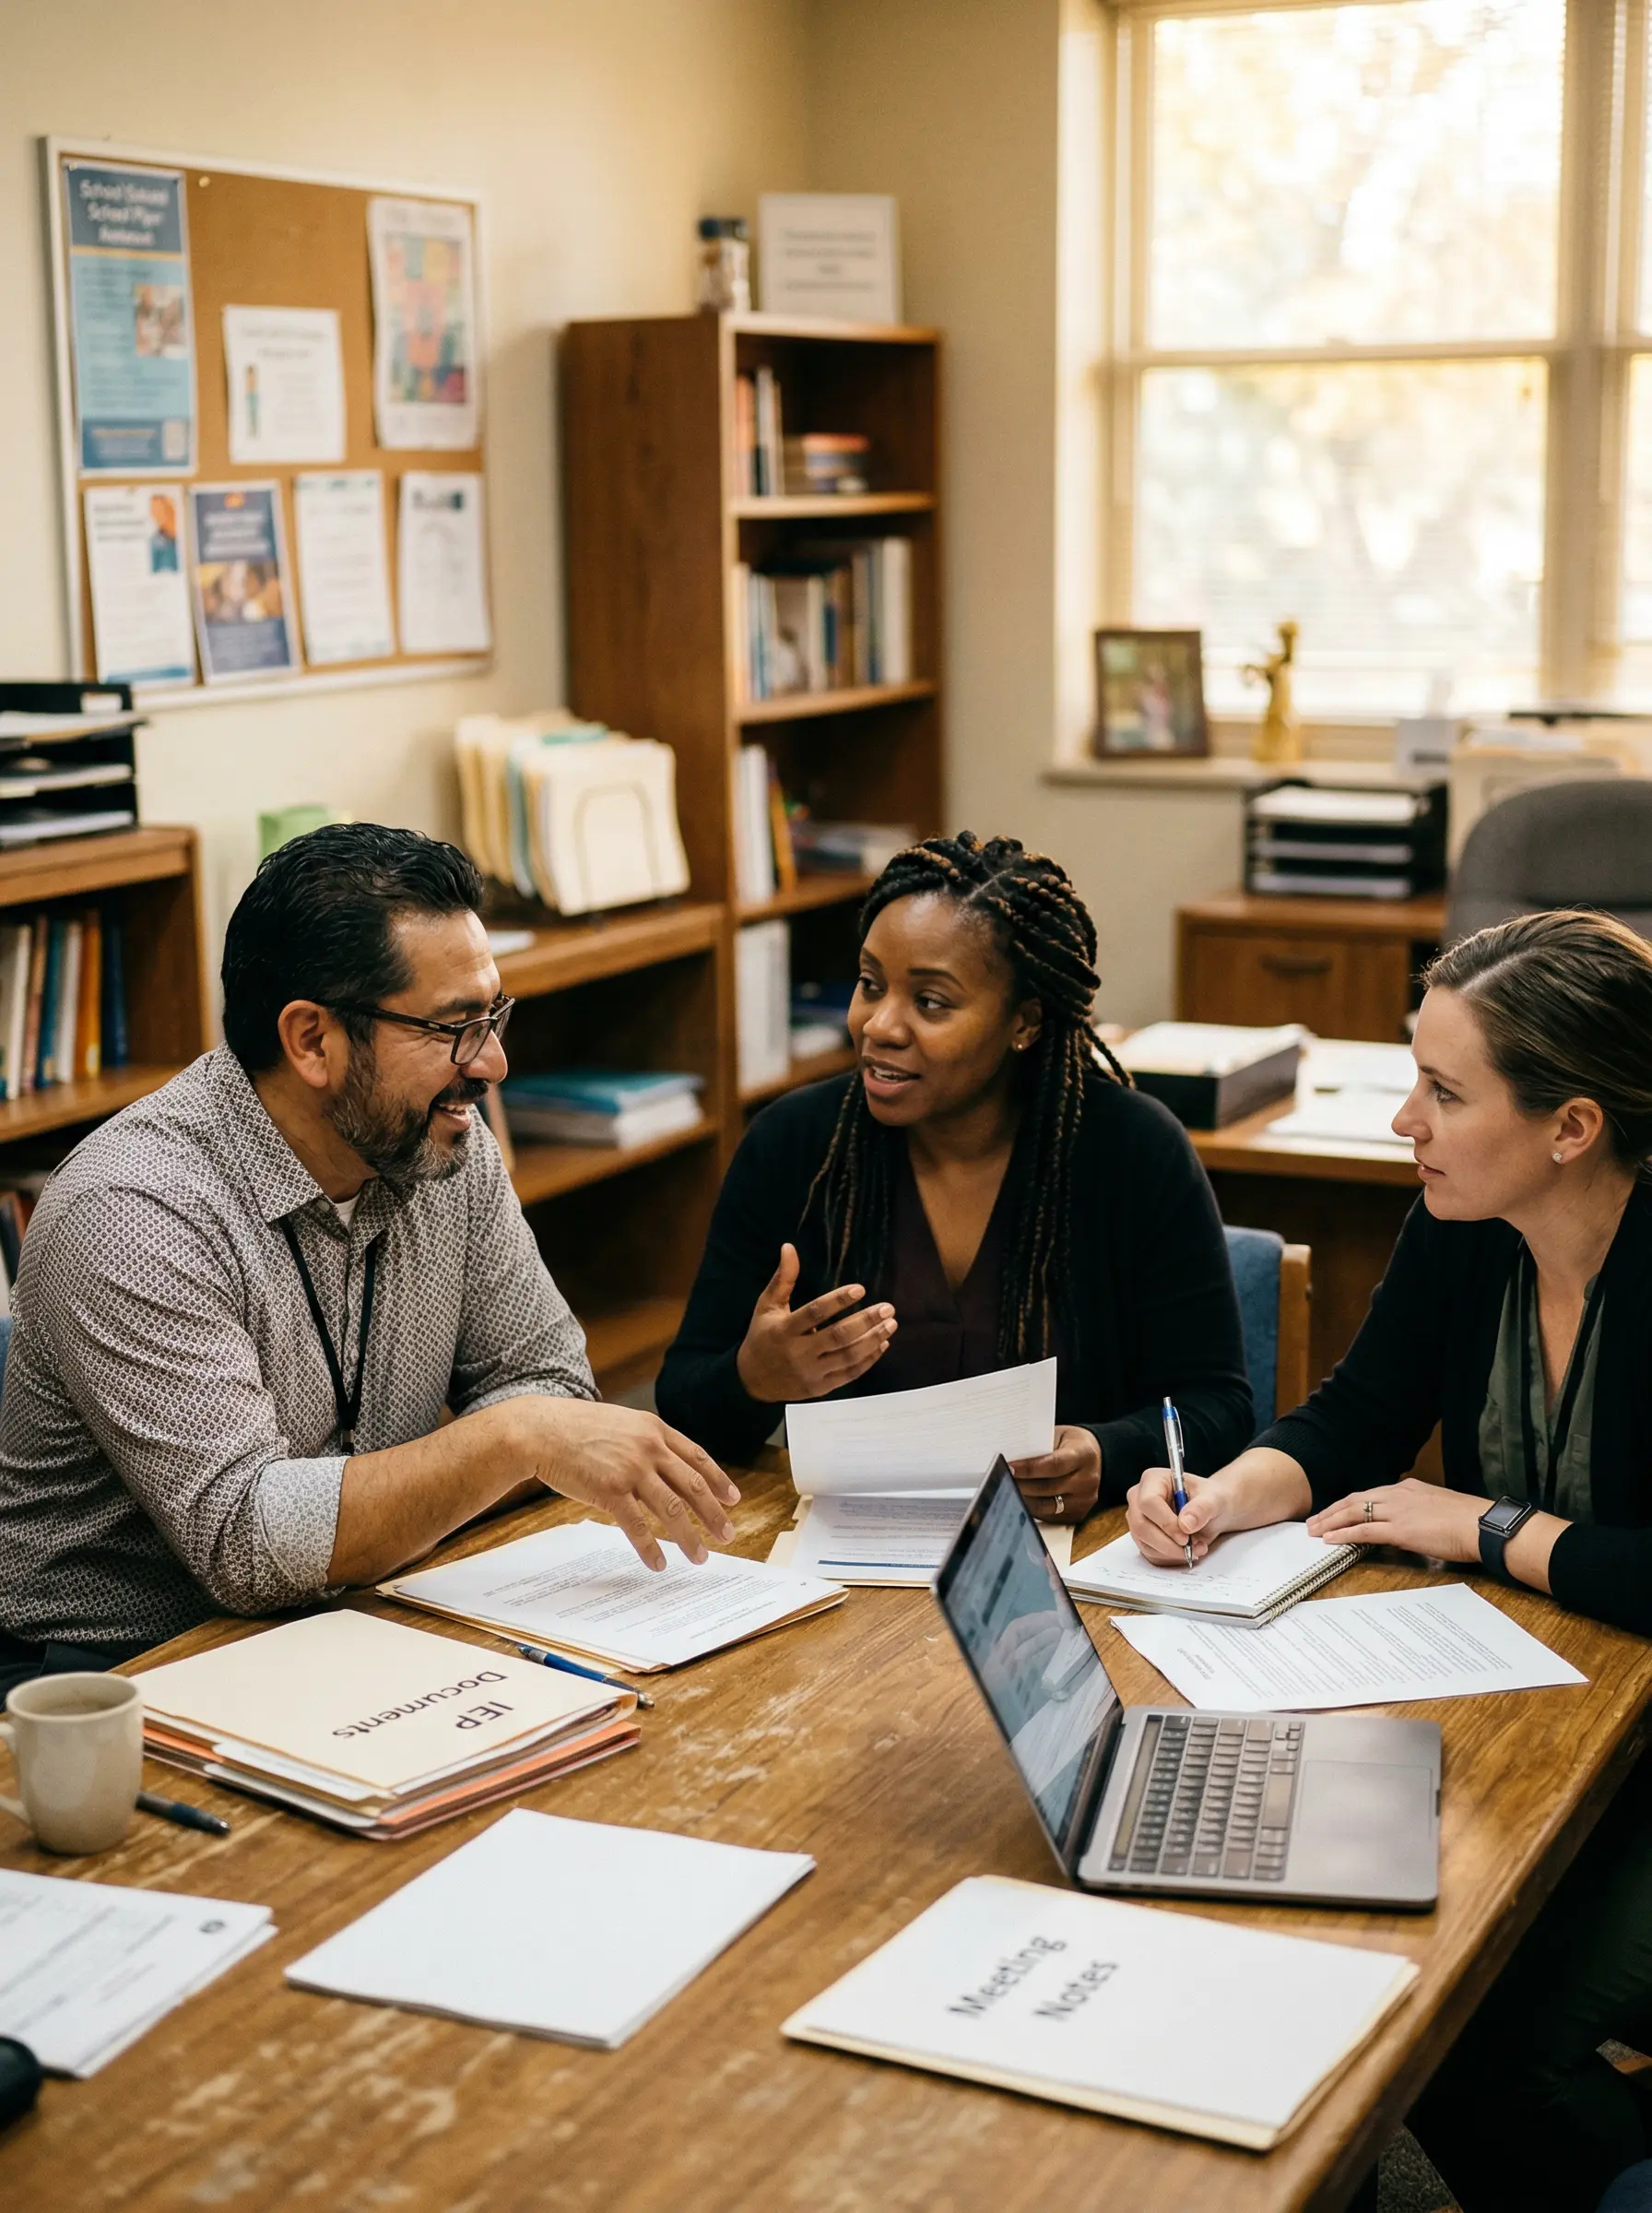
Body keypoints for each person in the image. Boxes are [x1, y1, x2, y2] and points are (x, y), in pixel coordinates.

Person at [1124, 907, 1652, 2213]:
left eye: (1443, 1090)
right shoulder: (1467, 1219)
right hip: (1558, 1698)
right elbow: (1356, 1416)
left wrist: (1485, 1528)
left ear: (1571, 1128)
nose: (1402, 1120)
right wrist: (1224, 1494)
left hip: (1632, 1729)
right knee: (1369, 1953)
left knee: (1477, 2045)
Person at [0, 824, 738, 1698]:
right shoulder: (135, 1212)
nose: (493, 1063)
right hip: (117, 1678)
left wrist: (490, 1452)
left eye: (494, 1016)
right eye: (455, 1027)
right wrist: (511, 1438)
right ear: (312, 1040)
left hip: (354, 1614)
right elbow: (248, 1542)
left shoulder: (436, 1146)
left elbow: (549, 1381)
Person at [656, 832, 1252, 1522]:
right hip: (843, 1565)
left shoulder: (1130, 1151)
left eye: (931, 1003)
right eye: (870, 984)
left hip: (1071, 1565)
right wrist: (753, 1378)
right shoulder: (795, 1147)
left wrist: (1106, 1452)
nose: (878, 1025)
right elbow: (683, 1401)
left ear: (1023, 1023)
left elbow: (1219, 1405)